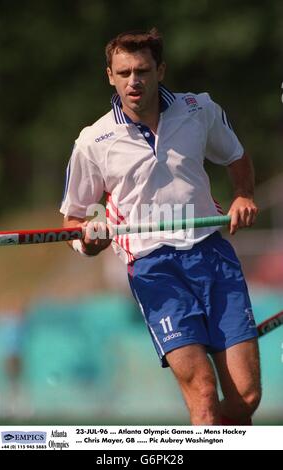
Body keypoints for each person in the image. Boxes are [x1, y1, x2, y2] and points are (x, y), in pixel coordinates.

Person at [60, 28, 261, 425]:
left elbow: (236, 157)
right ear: (110, 76)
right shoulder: (92, 141)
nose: (134, 81)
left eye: (143, 70)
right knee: (204, 392)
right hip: (155, 270)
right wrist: (89, 243)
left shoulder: (198, 109)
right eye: (124, 73)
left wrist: (243, 194)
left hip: (212, 254)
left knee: (245, 398)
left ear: (160, 70)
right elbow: (73, 221)